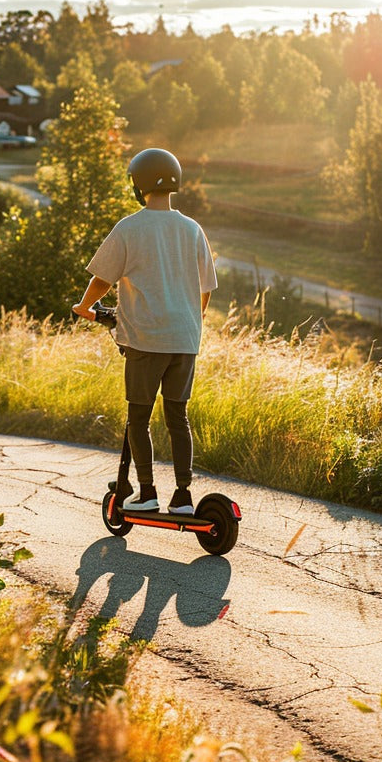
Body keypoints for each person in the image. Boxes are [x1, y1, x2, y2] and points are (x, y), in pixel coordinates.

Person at [72, 148, 217, 515]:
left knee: (139, 417)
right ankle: (183, 496)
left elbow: (102, 278)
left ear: (138, 183)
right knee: (177, 417)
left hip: (146, 339)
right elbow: (205, 290)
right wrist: (188, 322)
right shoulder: (191, 229)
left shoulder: (130, 227)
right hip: (185, 340)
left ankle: (147, 491)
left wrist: (84, 307)